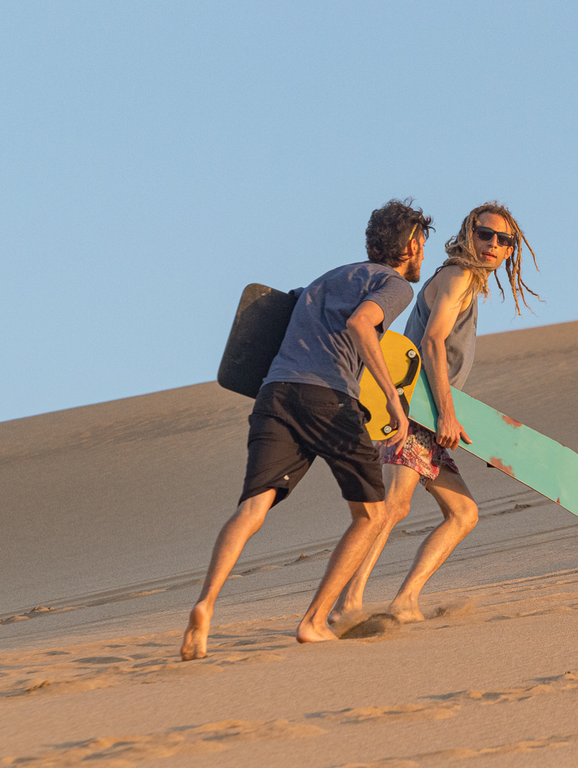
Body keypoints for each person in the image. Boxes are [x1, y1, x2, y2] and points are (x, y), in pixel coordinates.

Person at [180, 199, 432, 658]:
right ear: (412, 245)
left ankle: (205, 605)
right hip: (329, 397)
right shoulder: (393, 284)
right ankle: (315, 621)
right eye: (422, 245)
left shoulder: (327, 279)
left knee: (252, 510)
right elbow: (361, 324)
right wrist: (393, 399)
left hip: (275, 393)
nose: (422, 255)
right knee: (372, 515)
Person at [330, 202, 539, 623]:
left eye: (504, 240)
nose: (493, 245)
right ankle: (346, 603)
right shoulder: (459, 276)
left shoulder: (465, 282)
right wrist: (446, 413)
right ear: (468, 234)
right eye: (485, 235)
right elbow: (432, 342)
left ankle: (405, 601)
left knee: (463, 514)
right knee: (393, 506)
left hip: (426, 417)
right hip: (415, 414)